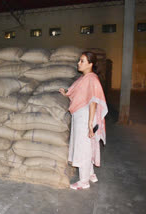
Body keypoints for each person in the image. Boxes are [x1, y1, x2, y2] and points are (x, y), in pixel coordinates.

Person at [59, 51, 108, 190]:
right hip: (80, 116)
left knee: (84, 148)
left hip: (86, 117)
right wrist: (66, 93)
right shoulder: (84, 78)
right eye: (79, 60)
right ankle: (91, 174)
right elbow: (78, 95)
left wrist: (90, 125)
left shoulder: (91, 79)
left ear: (90, 64)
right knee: (87, 146)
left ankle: (84, 181)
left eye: (82, 61)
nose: (78, 63)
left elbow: (93, 102)